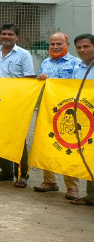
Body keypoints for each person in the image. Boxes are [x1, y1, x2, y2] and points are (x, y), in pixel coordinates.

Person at [0, 23, 36, 188]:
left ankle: (22, 175)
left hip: (17, 102)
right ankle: (6, 171)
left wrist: (8, 85)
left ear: (17, 37)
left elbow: (29, 78)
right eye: (4, 34)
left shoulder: (23, 54)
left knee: (18, 139)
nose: (6, 37)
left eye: (10, 34)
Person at [33, 32, 80, 199]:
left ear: (67, 44)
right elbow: (38, 82)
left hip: (68, 112)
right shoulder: (45, 62)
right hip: (47, 109)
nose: (55, 47)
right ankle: (49, 181)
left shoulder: (77, 63)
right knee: (47, 144)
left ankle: (72, 186)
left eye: (59, 43)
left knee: (68, 146)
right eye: (52, 44)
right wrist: (40, 77)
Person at [70, 34, 94, 207]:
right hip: (84, 118)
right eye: (79, 47)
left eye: (86, 46)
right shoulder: (78, 68)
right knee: (89, 155)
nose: (82, 50)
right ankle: (91, 195)